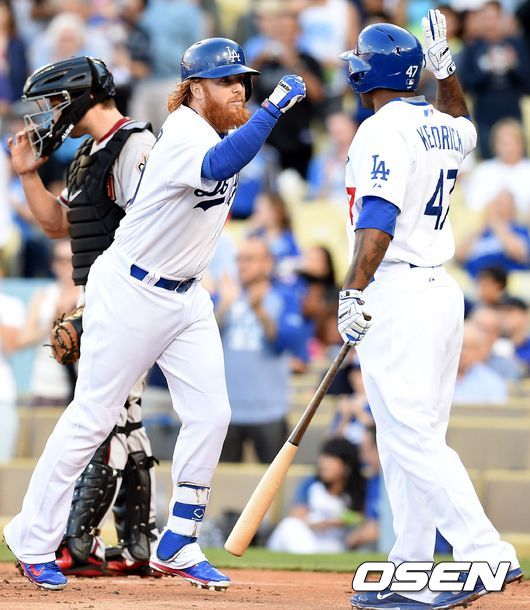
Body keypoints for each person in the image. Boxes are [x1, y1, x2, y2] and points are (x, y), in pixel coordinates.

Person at [4, 37, 306, 591]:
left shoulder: (213, 132)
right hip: (133, 289)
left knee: (212, 414)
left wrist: (260, 116)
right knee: (92, 419)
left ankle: (179, 541)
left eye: (243, 80)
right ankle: (32, 538)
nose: (238, 89)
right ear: (194, 90)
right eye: (224, 81)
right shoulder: (185, 132)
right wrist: (271, 111)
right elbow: (221, 163)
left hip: (187, 296)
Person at [338, 11, 522, 610]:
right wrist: (446, 71)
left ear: (368, 75)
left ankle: (485, 552)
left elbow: (378, 219)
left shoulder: (380, 129)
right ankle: (410, 560)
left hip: (398, 288)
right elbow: (464, 123)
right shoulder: (440, 122)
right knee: (405, 438)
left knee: (411, 435)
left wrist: (353, 289)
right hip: (437, 291)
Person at [6, 57, 159, 578]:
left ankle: (78, 540)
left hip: (131, 297)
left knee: (105, 419)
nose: (50, 116)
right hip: (106, 295)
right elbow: (59, 224)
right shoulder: (88, 154)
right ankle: (135, 544)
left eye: (54, 103)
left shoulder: (135, 144)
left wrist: (105, 306)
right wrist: (28, 174)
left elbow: (150, 228)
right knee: (123, 417)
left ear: (78, 97)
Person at [217, 237, 306, 463]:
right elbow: (205, 341)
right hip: (227, 410)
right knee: (226, 479)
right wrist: (224, 306)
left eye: (250, 259)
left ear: (268, 263)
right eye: (239, 259)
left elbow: (288, 342)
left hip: (269, 409)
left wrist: (260, 313)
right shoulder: (226, 295)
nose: (242, 265)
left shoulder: (284, 297)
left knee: (272, 479)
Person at [267, 437, 365, 553]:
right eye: (324, 457)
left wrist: (341, 521)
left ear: (346, 466)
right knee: (290, 525)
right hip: (307, 536)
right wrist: (319, 524)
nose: (324, 464)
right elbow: (297, 514)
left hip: (333, 543)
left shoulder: (356, 490)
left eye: (331, 459)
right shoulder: (312, 483)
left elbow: (363, 519)